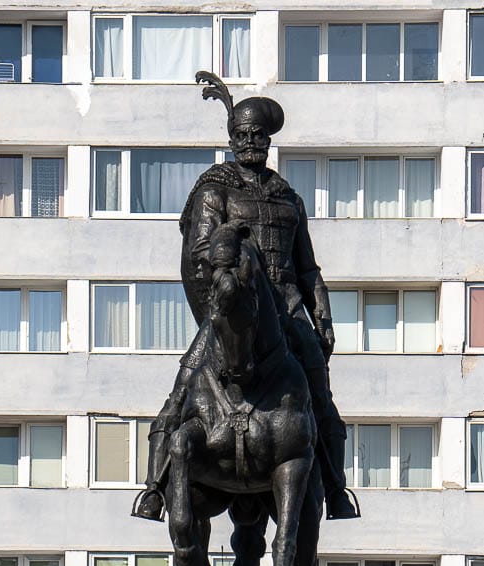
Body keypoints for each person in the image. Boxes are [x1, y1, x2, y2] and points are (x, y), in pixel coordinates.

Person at [133, 72, 359, 522]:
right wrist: (219, 315)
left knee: (321, 396)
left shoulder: (287, 198)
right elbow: (197, 259)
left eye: (258, 135)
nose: (251, 142)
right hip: (233, 308)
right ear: (231, 138)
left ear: (269, 141)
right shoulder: (213, 190)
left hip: (289, 311)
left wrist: (322, 314)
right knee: (180, 393)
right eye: (242, 134)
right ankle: (154, 490)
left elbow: (308, 266)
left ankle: (335, 488)